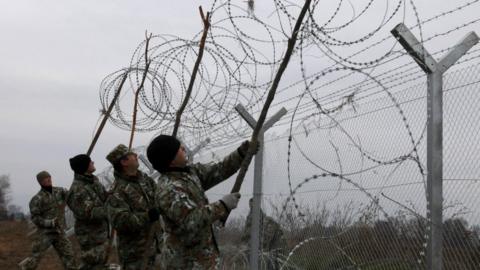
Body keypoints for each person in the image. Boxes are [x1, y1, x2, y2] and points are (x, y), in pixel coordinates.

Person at [146, 135, 256, 269]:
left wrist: (240, 154)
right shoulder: (169, 190)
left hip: (203, 260)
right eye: (178, 148)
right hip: (186, 263)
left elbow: (219, 170)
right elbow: (191, 220)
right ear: (171, 159)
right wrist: (222, 205)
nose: (183, 148)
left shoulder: (189, 173)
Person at [105, 144, 160, 270]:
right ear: (124, 162)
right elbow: (120, 221)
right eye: (132, 155)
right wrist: (148, 216)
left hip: (156, 246)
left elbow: (159, 197)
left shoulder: (145, 180)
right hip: (136, 255)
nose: (136, 156)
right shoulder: (117, 191)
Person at [21, 171, 77, 270]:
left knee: (69, 256)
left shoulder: (60, 191)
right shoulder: (37, 199)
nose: (49, 179)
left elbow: (72, 198)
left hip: (59, 232)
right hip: (45, 233)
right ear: (40, 182)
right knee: (35, 257)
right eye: (45, 179)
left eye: (49, 177)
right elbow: (35, 218)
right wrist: (49, 222)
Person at [67, 154, 109, 270]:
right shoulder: (77, 190)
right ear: (84, 166)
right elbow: (89, 213)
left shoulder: (93, 181)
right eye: (90, 162)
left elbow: (103, 197)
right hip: (90, 236)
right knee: (92, 264)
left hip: (100, 232)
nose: (93, 163)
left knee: (99, 263)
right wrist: (112, 210)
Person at [241, 198, 288, 270]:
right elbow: (246, 237)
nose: (251, 208)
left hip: (274, 253)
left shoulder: (268, 222)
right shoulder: (251, 219)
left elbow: (265, 241)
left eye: (253, 206)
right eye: (251, 206)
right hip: (264, 255)